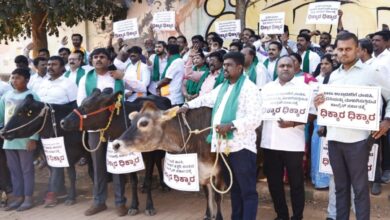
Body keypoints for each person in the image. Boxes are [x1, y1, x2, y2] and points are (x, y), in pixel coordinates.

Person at [314, 32, 390, 220]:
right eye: (340, 49)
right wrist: (320, 103)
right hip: (334, 140)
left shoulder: (372, 72)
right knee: (340, 188)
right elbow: (327, 105)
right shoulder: (332, 76)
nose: (344, 53)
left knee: (360, 189)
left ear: (357, 50)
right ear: (336, 52)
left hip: (359, 141)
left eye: (348, 49)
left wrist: (387, 120)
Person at [179, 52, 262, 220]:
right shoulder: (223, 87)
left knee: (247, 191)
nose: (225, 68)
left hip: (242, 147)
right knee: (235, 188)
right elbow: (206, 99)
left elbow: (255, 119)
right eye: (224, 65)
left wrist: (231, 125)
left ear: (239, 67)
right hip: (223, 147)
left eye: (229, 65)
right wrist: (187, 105)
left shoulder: (249, 88)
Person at [261, 56, 314, 220]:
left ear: (295, 68)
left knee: (296, 184)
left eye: (288, 66)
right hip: (270, 143)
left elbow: (312, 114)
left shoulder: (304, 89)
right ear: (277, 69)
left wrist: (292, 123)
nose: (285, 68)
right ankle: (281, 215)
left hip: (293, 144)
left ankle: (297, 216)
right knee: (274, 183)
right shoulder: (267, 88)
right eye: (282, 65)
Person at [77, 48, 128, 217]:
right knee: (98, 166)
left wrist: (124, 77)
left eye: (102, 57)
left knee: (117, 164)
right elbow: (81, 103)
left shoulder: (116, 76)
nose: (98, 59)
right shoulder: (86, 78)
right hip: (94, 128)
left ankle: (120, 202)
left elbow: (138, 88)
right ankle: (99, 202)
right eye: (95, 57)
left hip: (115, 128)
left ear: (108, 60)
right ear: (91, 60)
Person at [36, 56, 78, 207]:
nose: (49, 67)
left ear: (62, 67)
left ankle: (53, 193)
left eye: (54, 64)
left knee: (58, 160)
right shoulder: (42, 82)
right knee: (50, 160)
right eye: (48, 64)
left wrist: (54, 109)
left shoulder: (68, 83)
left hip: (60, 127)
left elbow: (74, 105)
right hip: (43, 128)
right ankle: (60, 190)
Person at [0, 68, 39, 211]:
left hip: (25, 139)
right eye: (12, 77)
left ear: (27, 80)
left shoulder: (32, 96)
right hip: (9, 140)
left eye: (18, 78)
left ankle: (28, 198)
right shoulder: (6, 96)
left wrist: (33, 138)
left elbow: (37, 119)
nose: (14, 80)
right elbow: (1, 115)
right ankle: (18, 197)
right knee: (14, 170)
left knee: (27, 169)